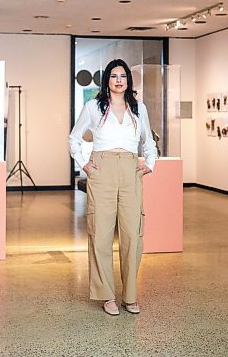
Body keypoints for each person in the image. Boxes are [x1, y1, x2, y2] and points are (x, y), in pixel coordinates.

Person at [69, 58, 157, 316]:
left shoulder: (138, 108)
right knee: (101, 234)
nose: (119, 80)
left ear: (128, 80)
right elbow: (74, 138)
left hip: (130, 169)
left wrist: (150, 163)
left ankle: (130, 296)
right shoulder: (93, 107)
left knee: (133, 234)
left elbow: (148, 140)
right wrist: (84, 164)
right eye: (114, 76)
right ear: (107, 80)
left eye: (123, 76)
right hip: (102, 168)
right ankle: (107, 295)